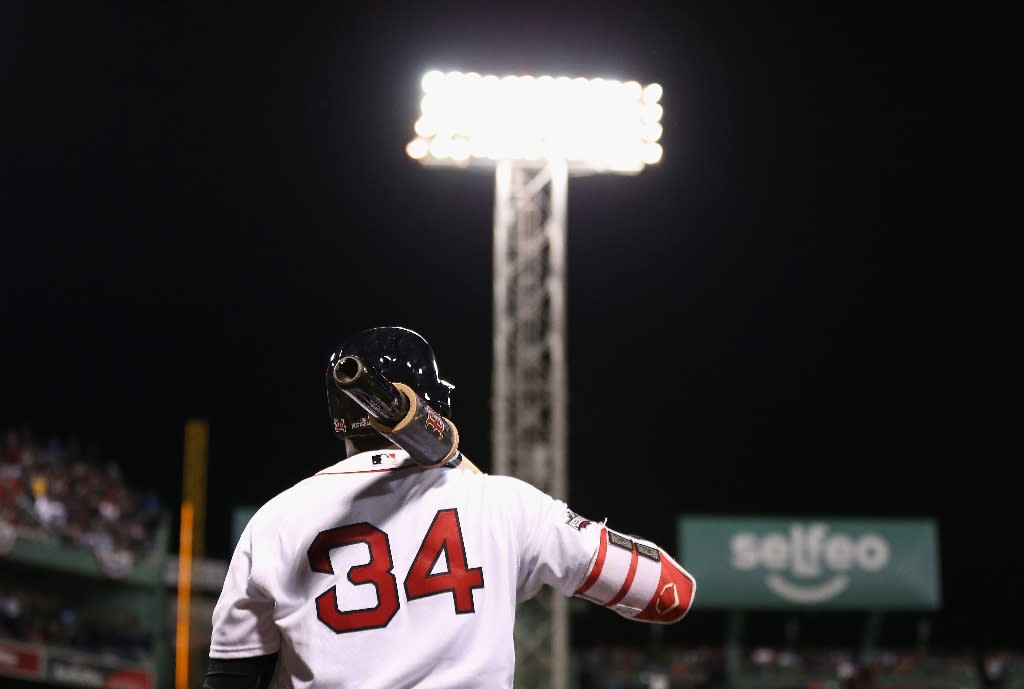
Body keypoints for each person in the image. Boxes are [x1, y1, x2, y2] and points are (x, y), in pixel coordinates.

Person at [203, 326, 696, 689]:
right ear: (436, 403)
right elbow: (670, 593)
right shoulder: (505, 503)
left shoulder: (273, 521)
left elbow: (232, 679)